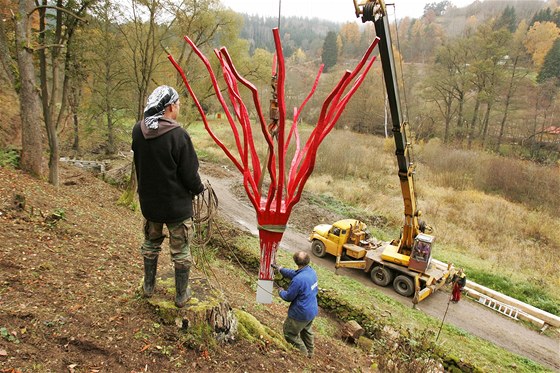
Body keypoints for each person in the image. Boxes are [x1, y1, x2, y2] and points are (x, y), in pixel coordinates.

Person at [132, 85, 205, 308]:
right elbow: (189, 174)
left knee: (151, 244)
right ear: (171, 106)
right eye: (178, 105)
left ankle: (148, 287)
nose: (179, 108)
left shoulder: (138, 130)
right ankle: (181, 295)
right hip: (176, 208)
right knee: (181, 251)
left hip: (150, 204)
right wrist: (199, 189)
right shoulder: (178, 135)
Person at [274, 251, 319, 358]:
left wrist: (280, 291)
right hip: (312, 310)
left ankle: (303, 355)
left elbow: (288, 297)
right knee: (306, 331)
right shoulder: (311, 271)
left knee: (289, 333)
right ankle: (310, 353)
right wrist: (280, 269)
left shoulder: (298, 280)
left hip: (300, 313)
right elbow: (294, 273)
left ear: (295, 261)